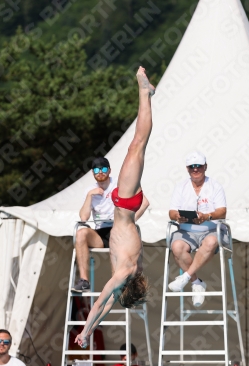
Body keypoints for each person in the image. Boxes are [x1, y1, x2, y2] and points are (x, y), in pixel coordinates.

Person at [75, 66, 153, 348]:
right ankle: (145, 92)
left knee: (138, 146)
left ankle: (146, 94)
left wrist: (88, 330)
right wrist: (84, 332)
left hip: (127, 205)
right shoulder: (123, 273)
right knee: (138, 143)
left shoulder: (132, 273)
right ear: (125, 290)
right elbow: (99, 303)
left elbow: (106, 306)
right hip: (125, 202)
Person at [72, 157, 149, 292]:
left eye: (103, 169)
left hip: (120, 230)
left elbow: (145, 203)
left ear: (109, 171)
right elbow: (84, 218)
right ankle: (84, 280)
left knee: (120, 254)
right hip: (101, 232)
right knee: (81, 233)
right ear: (93, 173)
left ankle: (127, 286)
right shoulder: (90, 190)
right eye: (96, 169)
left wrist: (129, 220)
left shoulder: (118, 185)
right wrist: (90, 196)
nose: (100, 172)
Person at [168, 151, 227, 307]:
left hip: (210, 229)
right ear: (187, 169)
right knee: (176, 246)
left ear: (205, 166)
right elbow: (172, 211)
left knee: (211, 242)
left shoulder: (215, 186)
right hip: (186, 230)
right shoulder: (180, 187)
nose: (195, 169)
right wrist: (177, 217)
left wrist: (207, 216)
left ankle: (186, 277)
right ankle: (196, 282)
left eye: (199, 166)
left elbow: (222, 211)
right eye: (192, 166)